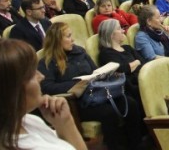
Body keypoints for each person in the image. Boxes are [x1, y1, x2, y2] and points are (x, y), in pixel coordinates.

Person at [0, 39, 86, 150]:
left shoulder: (30, 121)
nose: (41, 76)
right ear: (7, 90)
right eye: (32, 74)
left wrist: (65, 124)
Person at [38, 22, 143, 150]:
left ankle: (135, 145)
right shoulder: (47, 62)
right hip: (77, 103)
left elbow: (94, 71)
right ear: (57, 40)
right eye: (68, 36)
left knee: (130, 103)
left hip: (96, 94)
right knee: (109, 113)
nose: (72, 39)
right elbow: (48, 87)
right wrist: (77, 84)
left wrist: (104, 73)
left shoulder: (80, 52)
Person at [98, 19, 146, 101]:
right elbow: (121, 69)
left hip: (141, 79)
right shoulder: (106, 53)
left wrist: (132, 66)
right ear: (111, 34)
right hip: (129, 88)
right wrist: (136, 62)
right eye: (119, 28)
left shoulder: (127, 48)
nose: (123, 31)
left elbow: (143, 62)